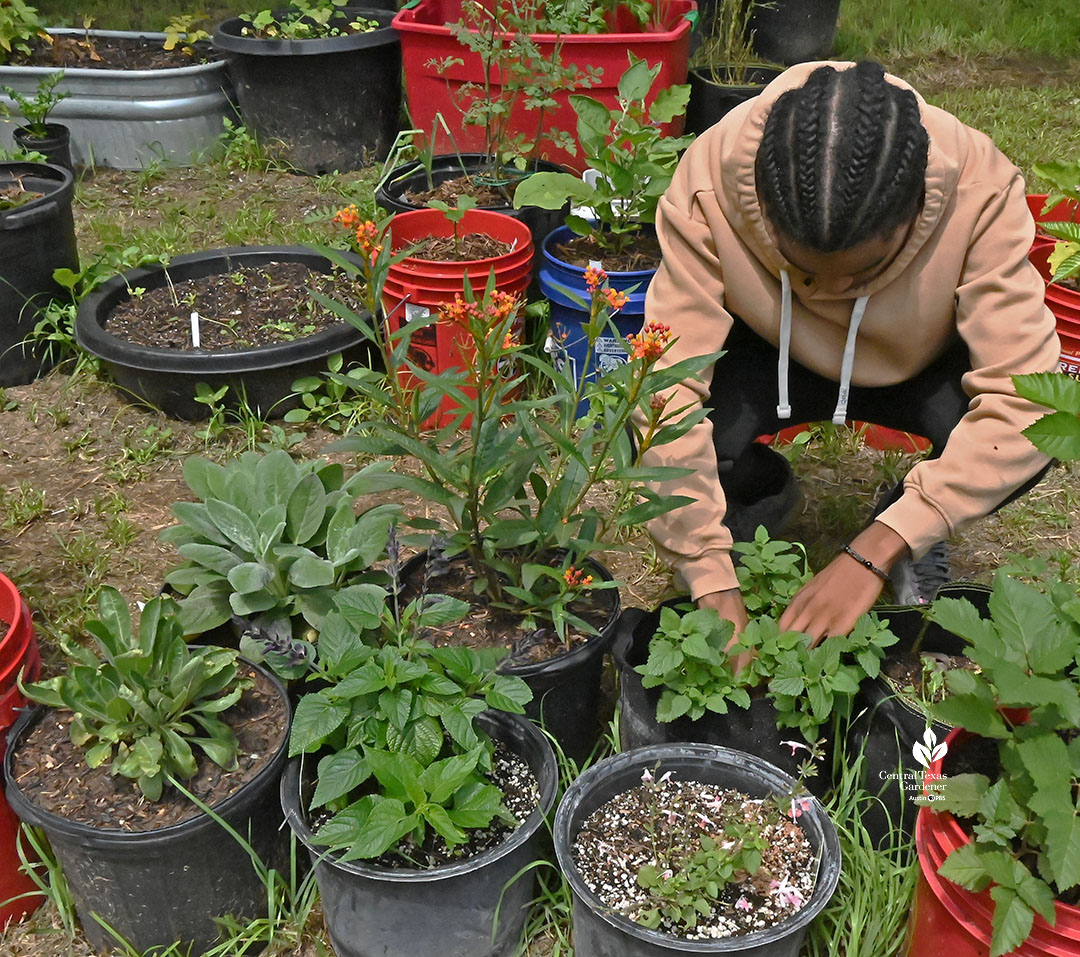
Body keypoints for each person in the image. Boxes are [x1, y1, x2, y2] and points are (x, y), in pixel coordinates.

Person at [639, 59, 1060, 646]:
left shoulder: (980, 187)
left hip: (915, 368)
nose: (834, 293)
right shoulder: (709, 181)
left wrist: (880, 546)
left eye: (865, 270)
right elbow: (664, 386)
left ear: (917, 207)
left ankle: (912, 517)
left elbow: (1031, 400)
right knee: (678, 425)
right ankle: (758, 488)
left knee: (1031, 441)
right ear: (759, 200)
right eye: (804, 271)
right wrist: (707, 575)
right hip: (771, 357)